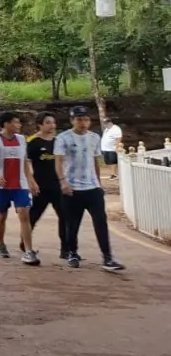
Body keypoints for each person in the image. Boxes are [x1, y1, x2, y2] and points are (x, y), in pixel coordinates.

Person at [56, 106, 126, 271]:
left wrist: (99, 184)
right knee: (72, 224)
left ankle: (107, 258)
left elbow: (95, 161)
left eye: (86, 119)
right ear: (72, 120)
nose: (83, 122)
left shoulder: (94, 137)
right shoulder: (63, 138)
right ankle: (72, 253)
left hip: (92, 188)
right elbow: (58, 162)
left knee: (101, 222)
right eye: (79, 119)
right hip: (72, 188)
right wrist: (63, 182)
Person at [0, 112, 41, 265]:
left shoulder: (22, 139)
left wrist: (31, 180)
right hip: (2, 185)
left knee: (24, 215)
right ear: (6, 124)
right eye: (15, 122)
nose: (19, 125)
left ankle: (28, 250)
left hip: (20, 184)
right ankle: (1, 244)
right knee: (2, 216)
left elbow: (25, 162)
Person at [25, 112, 69, 259]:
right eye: (48, 122)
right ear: (40, 124)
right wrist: (31, 182)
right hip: (40, 186)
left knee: (64, 216)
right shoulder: (32, 142)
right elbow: (26, 164)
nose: (52, 125)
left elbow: (64, 162)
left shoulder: (58, 141)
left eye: (53, 122)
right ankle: (24, 242)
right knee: (33, 216)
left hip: (58, 186)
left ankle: (65, 249)